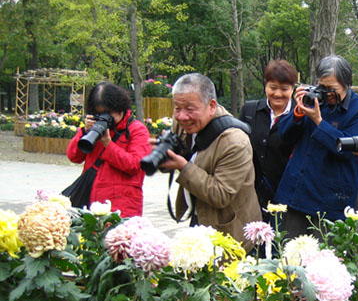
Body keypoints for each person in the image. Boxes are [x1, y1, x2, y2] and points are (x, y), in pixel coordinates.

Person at [157, 72, 261, 250]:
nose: (182, 116)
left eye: (190, 109)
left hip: (230, 232)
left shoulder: (235, 141)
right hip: (199, 218)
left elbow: (220, 194)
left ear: (211, 106)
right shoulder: (183, 123)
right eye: (177, 108)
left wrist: (182, 166)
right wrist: (163, 155)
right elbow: (184, 155)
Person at [274, 55, 358, 239]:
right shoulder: (315, 100)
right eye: (323, 87)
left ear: (346, 84)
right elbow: (284, 136)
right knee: (288, 257)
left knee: (326, 261)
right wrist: (297, 113)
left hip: (331, 203)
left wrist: (318, 121)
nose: (327, 94)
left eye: (332, 89)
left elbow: (347, 149)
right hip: (296, 194)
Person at [66, 82, 151, 217]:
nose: (105, 118)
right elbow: (73, 156)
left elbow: (135, 165)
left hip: (122, 208)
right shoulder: (96, 129)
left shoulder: (137, 130)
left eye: (108, 112)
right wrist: (84, 132)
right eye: (99, 113)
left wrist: (108, 145)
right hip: (92, 206)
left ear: (120, 107)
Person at [239, 60, 297, 216]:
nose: (277, 94)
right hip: (249, 195)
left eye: (284, 89)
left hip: (286, 199)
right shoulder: (250, 111)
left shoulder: (300, 115)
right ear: (265, 86)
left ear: (292, 89)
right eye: (273, 87)